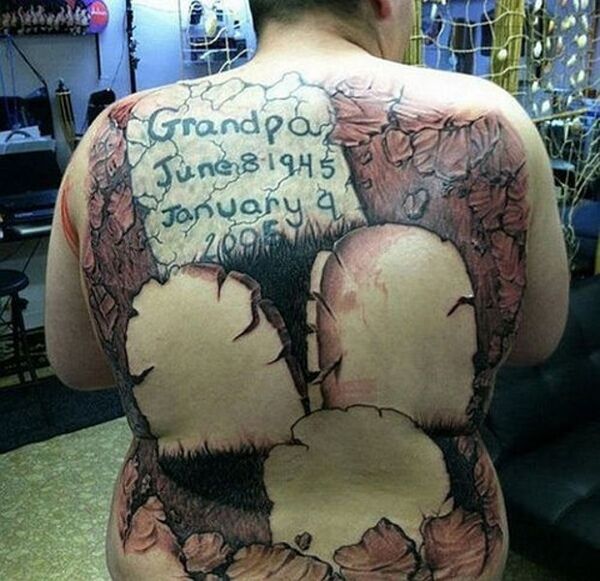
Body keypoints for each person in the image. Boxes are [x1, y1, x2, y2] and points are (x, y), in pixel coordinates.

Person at [45, 1, 569, 579]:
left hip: (173, 558)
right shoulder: (493, 123)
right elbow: (533, 340)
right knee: (381, 269)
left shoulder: (111, 138)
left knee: (199, 308)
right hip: (441, 556)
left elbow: (79, 365)